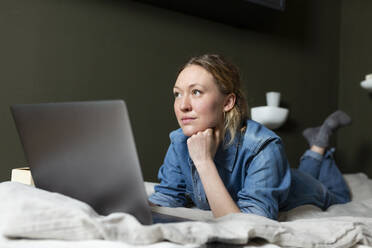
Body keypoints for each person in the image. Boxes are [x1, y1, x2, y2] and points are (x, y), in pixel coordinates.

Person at [148, 54, 351, 220]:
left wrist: (203, 162)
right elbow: (168, 196)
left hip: (308, 191)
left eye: (197, 92)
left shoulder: (263, 147)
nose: (183, 105)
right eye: (177, 94)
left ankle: (318, 146)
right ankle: (315, 145)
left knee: (338, 195)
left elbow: (247, 224)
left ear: (227, 102)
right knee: (296, 172)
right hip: (283, 175)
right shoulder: (180, 141)